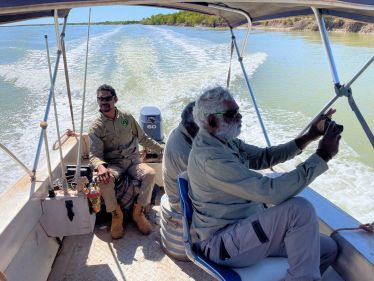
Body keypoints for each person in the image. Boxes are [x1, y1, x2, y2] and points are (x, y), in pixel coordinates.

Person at [188, 86, 341, 281]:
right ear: (212, 121)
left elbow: (264, 157)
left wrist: (309, 136)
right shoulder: (211, 158)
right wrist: (323, 155)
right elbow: (272, 192)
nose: (240, 116)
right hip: (223, 242)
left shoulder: (224, 141)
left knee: (328, 249)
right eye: (232, 114)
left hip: (246, 229)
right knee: (299, 209)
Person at [89, 84, 163, 239]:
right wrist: (101, 167)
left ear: (115, 99)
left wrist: (161, 149)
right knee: (104, 180)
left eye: (107, 98)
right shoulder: (96, 127)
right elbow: (94, 154)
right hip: (114, 165)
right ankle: (117, 215)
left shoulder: (127, 118)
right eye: (100, 98)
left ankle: (138, 212)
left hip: (133, 162)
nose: (103, 101)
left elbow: (143, 138)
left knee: (150, 173)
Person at [162, 102, 198, 212]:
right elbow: (205, 187)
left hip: (189, 191)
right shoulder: (183, 153)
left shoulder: (181, 131)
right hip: (182, 204)